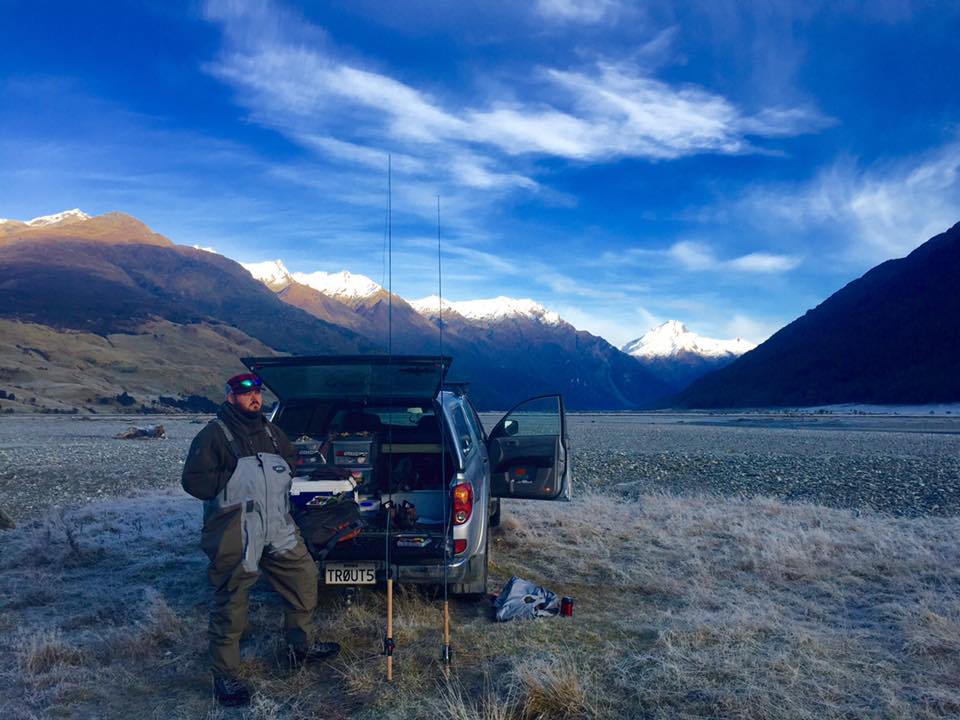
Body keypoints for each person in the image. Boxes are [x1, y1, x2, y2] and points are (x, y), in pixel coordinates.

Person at [181, 372, 339, 707]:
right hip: (237, 529)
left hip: (278, 525)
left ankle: (302, 647)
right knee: (232, 600)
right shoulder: (214, 435)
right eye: (246, 393)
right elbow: (194, 482)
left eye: (257, 394)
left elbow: (291, 459)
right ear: (230, 397)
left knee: (304, 578)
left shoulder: (270, 431)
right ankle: (225, 677)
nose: (255, 399)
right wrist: (235, 480)